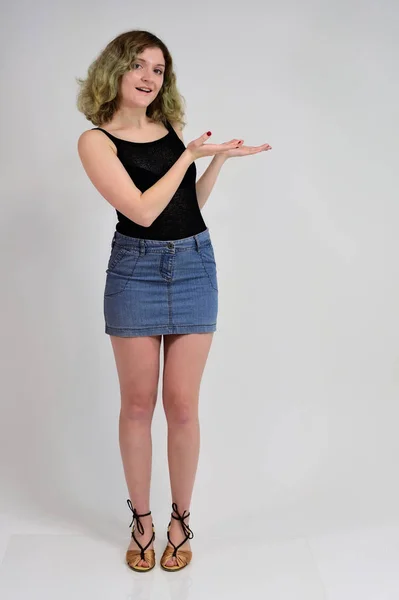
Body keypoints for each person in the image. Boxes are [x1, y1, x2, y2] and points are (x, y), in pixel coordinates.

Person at [76, 29, 272, 573]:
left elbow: (187, 205)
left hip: (193, 265)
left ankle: (181, 520)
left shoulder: (168, 129)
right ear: (114, 70)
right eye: (138, 65)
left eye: (159, 70)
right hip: (135, 271)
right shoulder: (96, 140)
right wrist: (187, 154)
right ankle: (142, 521)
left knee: (183, 406)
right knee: (138, 407)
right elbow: (141, 211)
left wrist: (216, 163)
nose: (148, 77)